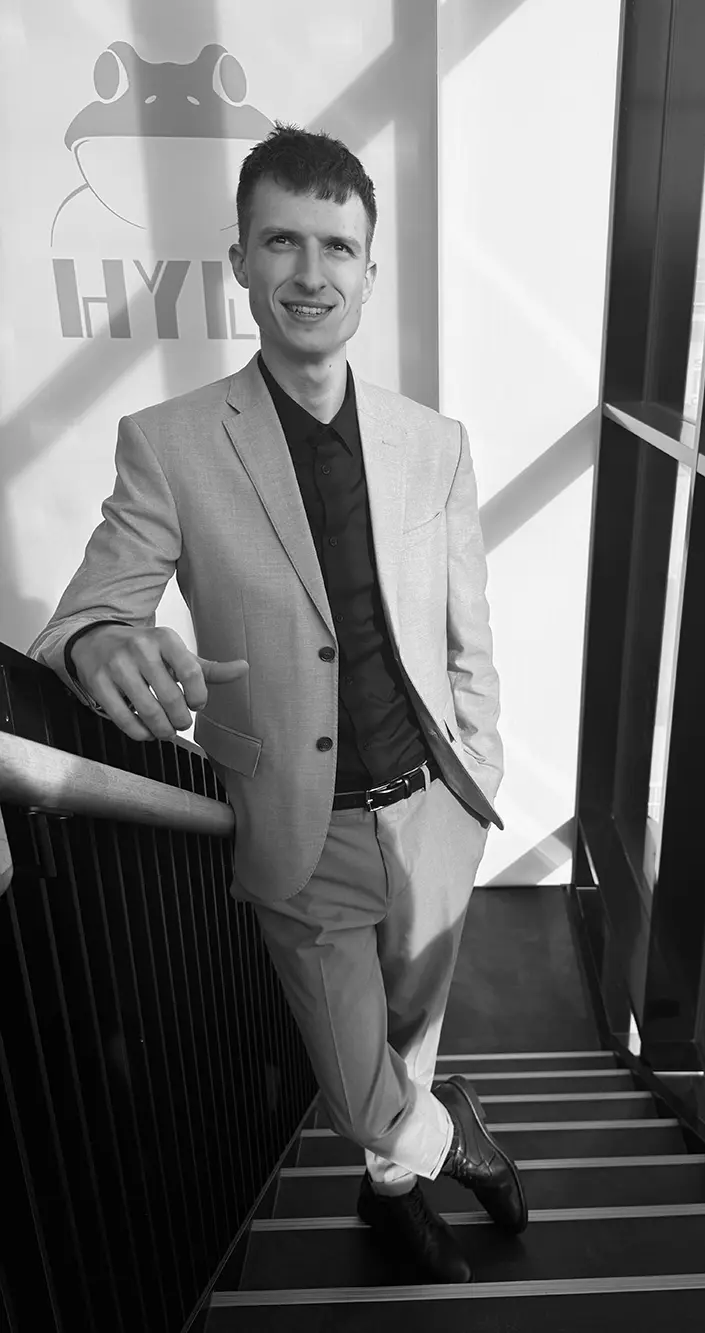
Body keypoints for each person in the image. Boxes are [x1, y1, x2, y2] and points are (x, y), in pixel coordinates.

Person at [28, 124, 526, 1284]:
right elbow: (85, 614)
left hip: (434, 808)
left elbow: (469, 628)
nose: (311, 272)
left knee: (410, 1031)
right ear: (242, 261)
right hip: (305, 828)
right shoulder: (170, 444)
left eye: (336, 246)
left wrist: (482, 770)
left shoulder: (434, 444)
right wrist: (102, 641)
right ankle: (454, 1142)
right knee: (357, 1078)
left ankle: (392, 1193)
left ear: (368, 268)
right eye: (283, 242)